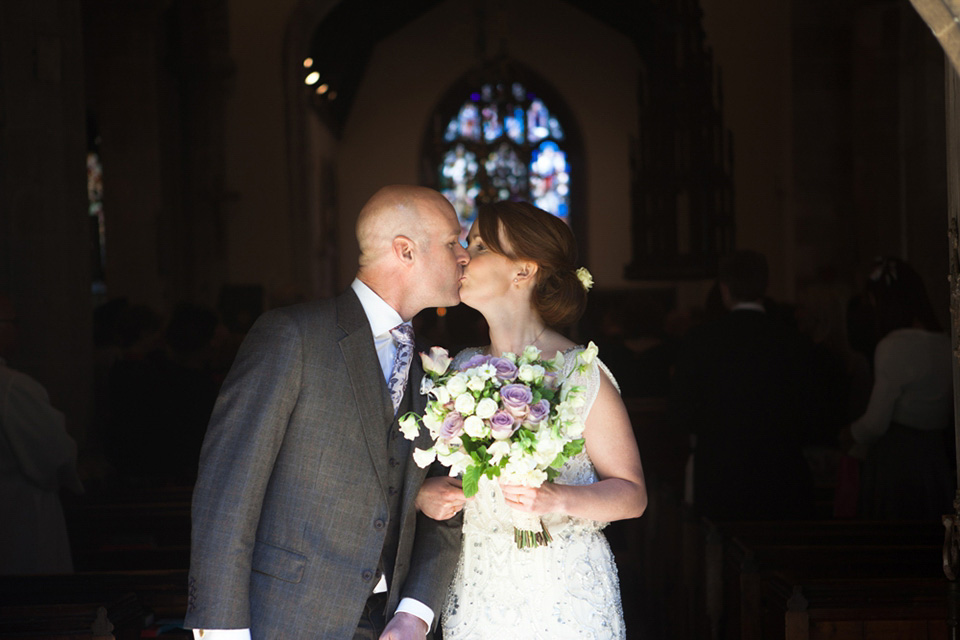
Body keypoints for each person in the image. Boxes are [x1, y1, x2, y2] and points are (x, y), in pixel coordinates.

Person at [185, 185, 469, 639]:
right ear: (405, 250)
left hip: (391, 623)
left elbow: (445, 495)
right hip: (286, 619)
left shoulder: (434, 367)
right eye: (454, 241)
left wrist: (415, 610)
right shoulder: (292, 336)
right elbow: (227, 491)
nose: (465, 255)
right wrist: (222, 631)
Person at [416, 200, 647, 639]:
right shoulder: (458, 369)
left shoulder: (580, 372)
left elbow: (632, 496)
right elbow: (431, 476)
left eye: (480, 245)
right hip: (479, 587)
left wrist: (556, 499)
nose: (463, 255)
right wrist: (425, 492)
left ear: (523, 271)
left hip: (563, 593)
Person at [669, 250, 815, 521]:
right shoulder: (793, 340)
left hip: (721, 471)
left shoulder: (702, 339)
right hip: (782, 472)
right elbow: (810, 408)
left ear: (724, 289)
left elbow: (680, 410)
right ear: (765, 286)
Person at [838, 257, 954, 520]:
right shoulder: (945, 343)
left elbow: (876, 423)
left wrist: (849, 434)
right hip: (936, 458)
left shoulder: (893, 346)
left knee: (894, 541)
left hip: (899, 463)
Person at [0, 294, 84, 574]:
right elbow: (56, 456)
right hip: (19, 518)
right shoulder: (12, 388)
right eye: (14, 321)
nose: (18, 329)